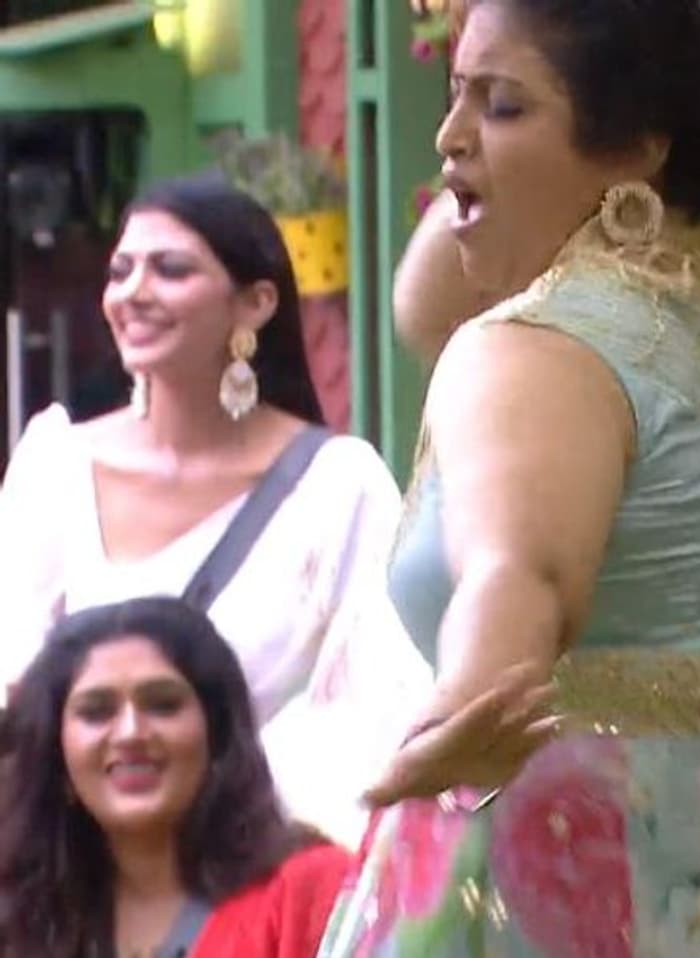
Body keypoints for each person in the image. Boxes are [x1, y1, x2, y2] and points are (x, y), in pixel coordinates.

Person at [321, 0, 700, 955]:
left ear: (640, 146)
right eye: (454, 97)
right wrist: (494, 131)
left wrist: (473, 692)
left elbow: (522, 573)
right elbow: (421, 304)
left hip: (581, 894)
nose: (447, 137)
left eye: (503, 106)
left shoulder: (541, 347)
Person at [0, 176, 430, 848]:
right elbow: (12, 671)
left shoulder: (337, 484)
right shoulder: (56, 464)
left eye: (170, 269)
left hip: (252, 861)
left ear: (256, 303)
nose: (134, 291)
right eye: (121, 270)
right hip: (73, 865)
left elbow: (383, 702)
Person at [0, 596, 352, 958]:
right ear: (55, 752)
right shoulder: (19, 918)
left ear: (217, 733)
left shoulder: (309, 889)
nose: (131, 733)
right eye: (97, 711)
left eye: (163, 705)